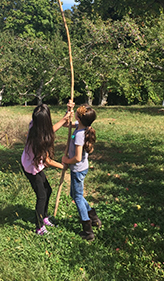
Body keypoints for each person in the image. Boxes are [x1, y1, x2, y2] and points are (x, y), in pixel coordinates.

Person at [21, 103, 73, 235]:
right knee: (42, 196)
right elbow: (47, 161)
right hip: (31, 168)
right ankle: (39, 227)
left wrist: (66, 116)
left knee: (48, 190)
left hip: (34, 164)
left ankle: (44, 217)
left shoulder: (34, 125)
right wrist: (63, 166)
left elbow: (50, 130)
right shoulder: (38, 139)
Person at [62, 104, 102, 241]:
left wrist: (67, 160)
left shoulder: (80, 134)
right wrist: (68, 111)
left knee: (77, 197)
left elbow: (78, 158)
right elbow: (66, 125)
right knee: (74, 194)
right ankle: (93, 216)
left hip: (78, 169)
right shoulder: (82, 127)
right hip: (80, 169)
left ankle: (88, 230)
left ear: (78, 118)